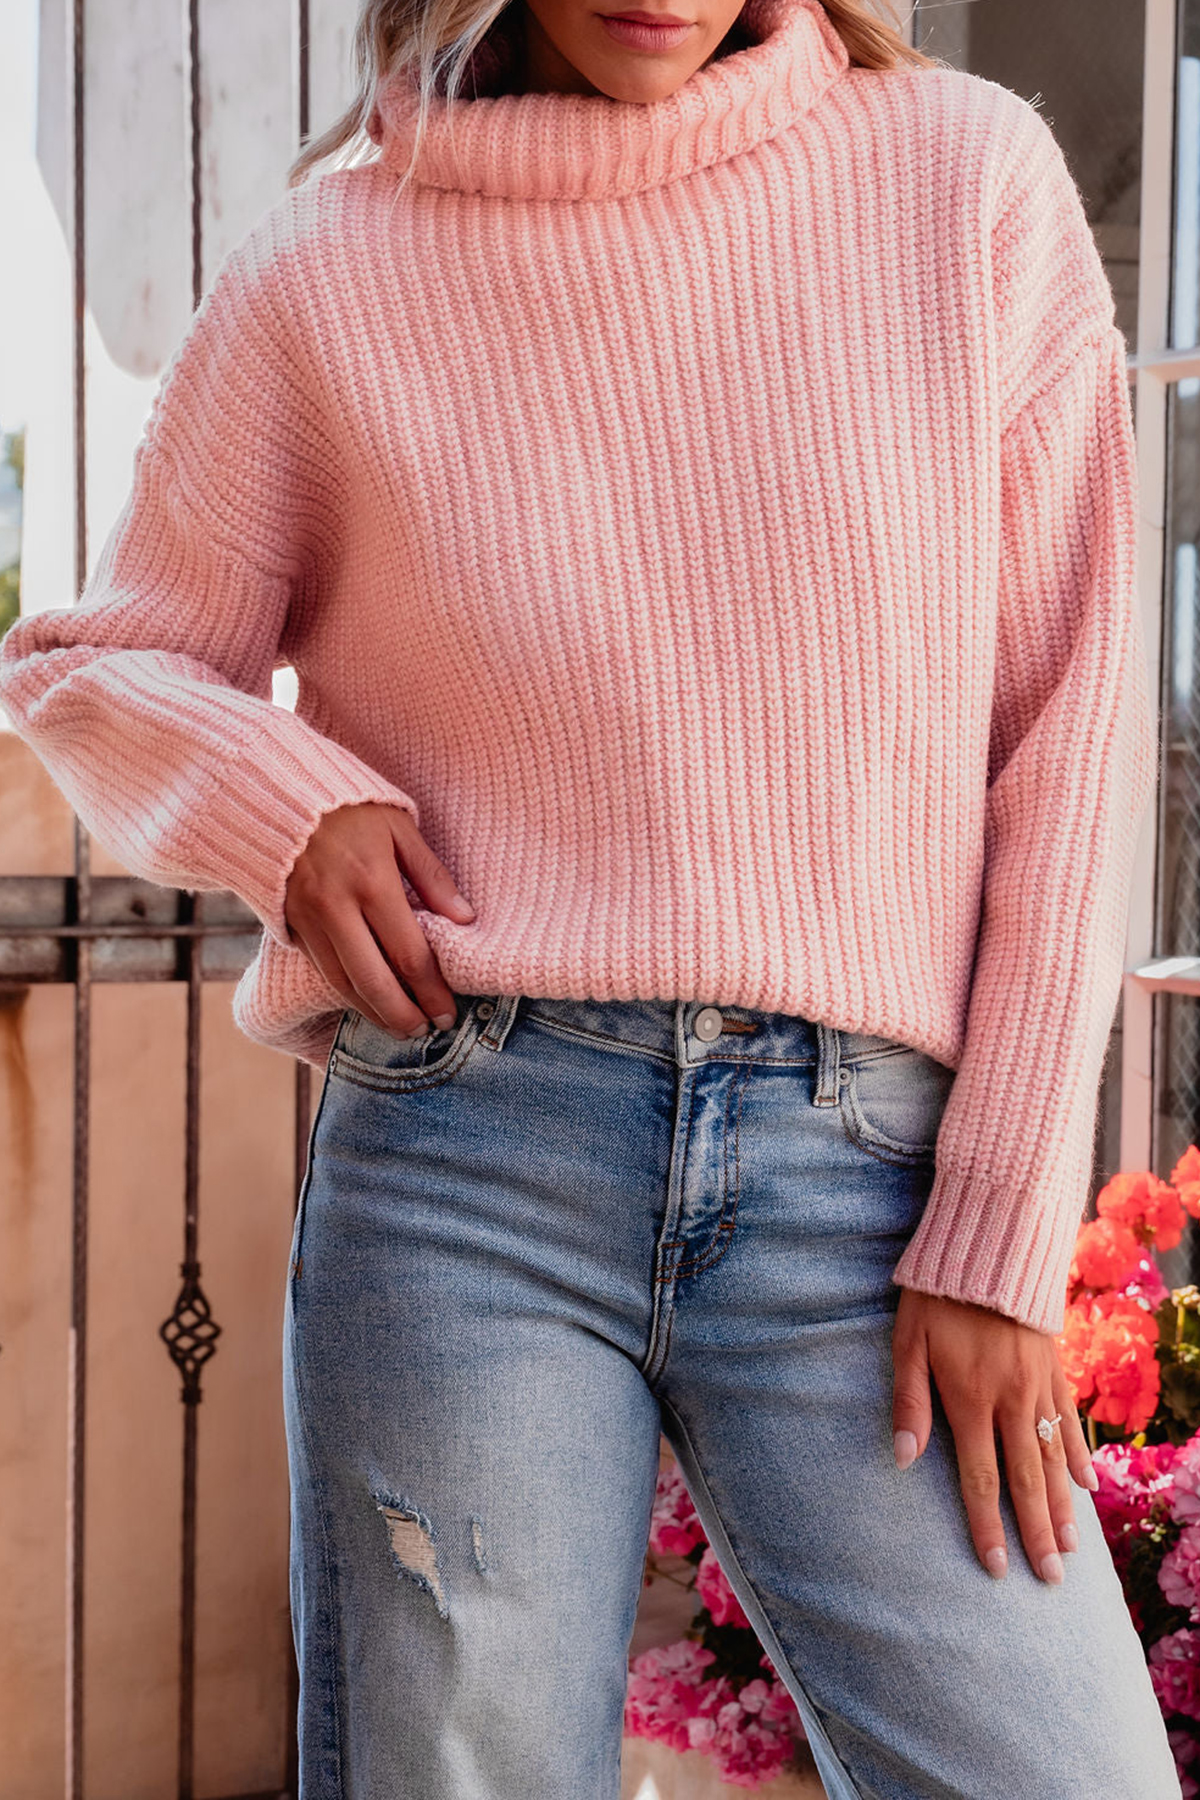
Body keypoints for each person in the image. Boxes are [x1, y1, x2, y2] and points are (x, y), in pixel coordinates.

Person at [0, 0, 1178, 1792]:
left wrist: (1006, 1221)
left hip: (862, 1183)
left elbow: (1071, 734)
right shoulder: (334, 270)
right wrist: (289, 810)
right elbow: (94, 663)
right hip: (470, 1165)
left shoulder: (964, 186)